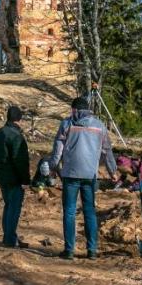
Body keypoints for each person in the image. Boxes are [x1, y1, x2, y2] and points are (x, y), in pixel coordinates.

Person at [48, 96, 117, 260]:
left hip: (70, 175)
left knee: (70, 212)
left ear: (75, 109)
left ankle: (69, 250)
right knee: (90, 212)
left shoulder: (67, 124)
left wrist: (52, 167)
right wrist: (112, 172)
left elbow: (58, 149)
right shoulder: (100, 126)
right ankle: (92, 250)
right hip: (90, 175)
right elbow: (107, 151)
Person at [0, 106, 31, 248]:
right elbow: (20, 161)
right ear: (19, 120)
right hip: (15, 179)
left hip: (2, 176)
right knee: (14, 208)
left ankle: (9, 236)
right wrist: (26, 180)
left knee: (8, 206)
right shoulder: (16, 136)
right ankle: (10, 239)